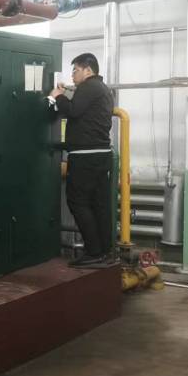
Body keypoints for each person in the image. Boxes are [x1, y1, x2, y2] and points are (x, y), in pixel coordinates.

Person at [48, 53, 115, 267]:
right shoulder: (102, 89)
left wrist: (57, 96)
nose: (73, 75)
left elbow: (73, 110)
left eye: (75, 70)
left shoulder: (88, 87)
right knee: (99, 205)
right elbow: (84, 111)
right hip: (101, 155)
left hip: (85, 157)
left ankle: (93, 251)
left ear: (88, 70)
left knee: (77, 201)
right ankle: (104, 251)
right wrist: (66, 93)